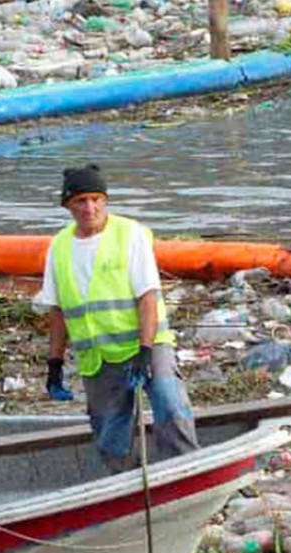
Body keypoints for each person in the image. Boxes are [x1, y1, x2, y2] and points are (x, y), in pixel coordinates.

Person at [35, 164, 199, 471]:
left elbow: (148, 297)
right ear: (68, 205)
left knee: (169, 403)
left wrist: (145, 350)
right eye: (81, 201)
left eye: (96, 199)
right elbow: (57, 311)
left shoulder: (129, 234)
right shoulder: (59, 247)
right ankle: (126, 485)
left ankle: (186, 468)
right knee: (112, 431)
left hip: (145, 343)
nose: (90, 207)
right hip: (98, 356)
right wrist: (54, 365)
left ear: (105, 200)